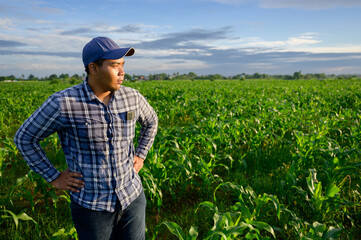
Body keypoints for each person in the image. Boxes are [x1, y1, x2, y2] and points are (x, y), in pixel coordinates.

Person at [14, 36, 158, 239]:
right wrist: (53, 177)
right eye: (115, 65)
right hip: (92, 206)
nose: (122, 71)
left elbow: (151, 122)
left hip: (132, 198)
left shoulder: (132, 97)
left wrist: (141, 154)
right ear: (93, 68)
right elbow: (24, 137)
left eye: (122, 65)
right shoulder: (64, 103)